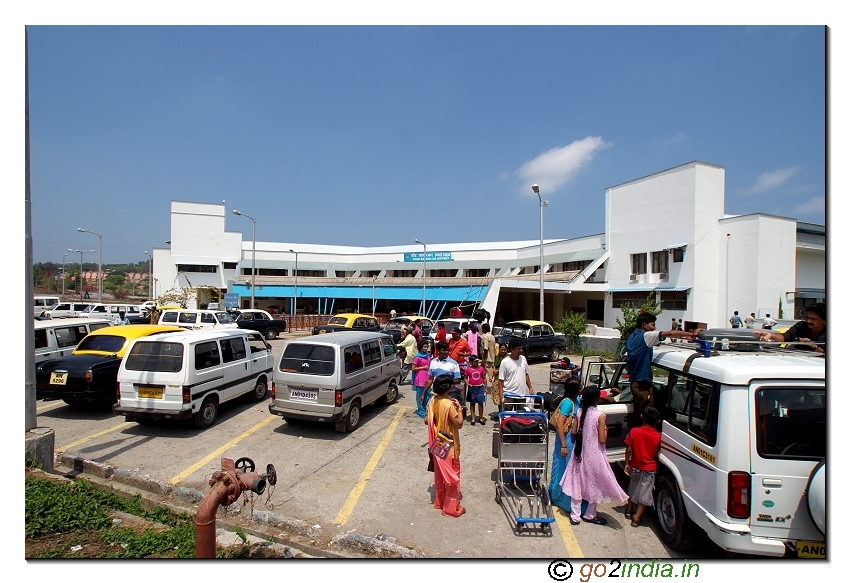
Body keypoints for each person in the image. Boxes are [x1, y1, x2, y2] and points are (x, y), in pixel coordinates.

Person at [560, 385, 628, 525]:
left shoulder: (579, 412)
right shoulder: (600, 416)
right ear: (597, 399)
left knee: (577, 482)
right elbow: (602, 439)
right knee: (595, 483)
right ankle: (590, 514)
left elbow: (574, 432)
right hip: (595, 454)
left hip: (579, 452)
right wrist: (606, 430)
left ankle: (575, 515)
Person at [626, 312, 700, 422]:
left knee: (639, 412)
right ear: (644, 325)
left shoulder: (632, 337)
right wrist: (693, 334)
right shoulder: (646, 336)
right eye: (652, 325)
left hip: (635, 382)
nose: (654, 327)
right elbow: (670, 333)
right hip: (642, 384)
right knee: (648, 415)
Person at [425, 373, 465, 517]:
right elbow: (459, 424)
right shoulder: (449, 404)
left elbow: (427, 421)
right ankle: (450, 508)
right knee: (452, 475)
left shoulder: (433, 400)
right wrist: (459, 410)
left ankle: (439, 502)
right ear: (448, 387)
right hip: (449, 445)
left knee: (440, 475)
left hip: (437, 442)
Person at [549, 379, 587, 514]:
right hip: (565, 442)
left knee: (568, 470)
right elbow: (560, 424)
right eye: (580, 386)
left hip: (571, 441)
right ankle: (556, 496)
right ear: (576, 390)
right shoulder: (567, 403)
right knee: (561, 468)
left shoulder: (576, 400)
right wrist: (564, 445)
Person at [623, 406, 662, 528]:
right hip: (650, 468)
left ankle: (629, 511)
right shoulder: (659, 436)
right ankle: (637, 518)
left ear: (641, 417)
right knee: (645, 493)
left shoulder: (634, 431)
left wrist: (627, 463)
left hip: (635, 466)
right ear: (658, 421)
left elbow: (629, 449)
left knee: (633, 488)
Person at [755, 302, 825, 353]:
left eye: (813, 319)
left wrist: (813, 345)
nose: (808, 321)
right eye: (807, 317)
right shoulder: (801, 325)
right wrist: (771, 335)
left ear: (824, 321)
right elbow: (785, 338)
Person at [498, 339, 534, 408]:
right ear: (512, 349)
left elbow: (526, 375)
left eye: (521, 348)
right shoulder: (505, 362)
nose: (521, 350)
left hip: (521, 395)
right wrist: (501, 396)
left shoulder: (523, 359)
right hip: (509, 395)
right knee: (507, 417)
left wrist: (530, 388)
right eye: (518, 349)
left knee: (520, 417)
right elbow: (501, 381)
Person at [412, 338, 433, 418]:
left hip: (428, 378)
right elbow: (413, 368)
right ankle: (421, 411)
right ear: (420, 347)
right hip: (420, 378)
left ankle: (424, 409)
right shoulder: (417, 357)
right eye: (424, 347)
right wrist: (423, 367)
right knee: (420, 396)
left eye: (427, 346)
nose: (426, 348)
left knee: (427, 395)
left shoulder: (427, 355)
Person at [488, 343, 509, 420]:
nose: (503, 351)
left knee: (503, 397)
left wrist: (498, 371)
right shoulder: (498, 357)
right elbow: (495, 367)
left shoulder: (507, 358)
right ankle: (500, 413)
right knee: (497, 397)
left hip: (504, 379)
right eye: (501, 349)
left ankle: (504, 414)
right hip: (497, 379)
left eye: (504, 350)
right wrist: (493, 374)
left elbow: (504, 368)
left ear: (507, 350)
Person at [464, 357, 487, 425]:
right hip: (472, 388)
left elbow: (484, 378)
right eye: (475, 361)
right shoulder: (468, 369)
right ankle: (473, 418)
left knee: (480, 403)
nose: (477, 363)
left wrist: (485, 387)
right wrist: (467, 383)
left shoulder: (481, 369)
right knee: (472, 403)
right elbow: (465, 378)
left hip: (480, 387)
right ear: (471, 362)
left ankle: (480, 417)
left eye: (477, 361)